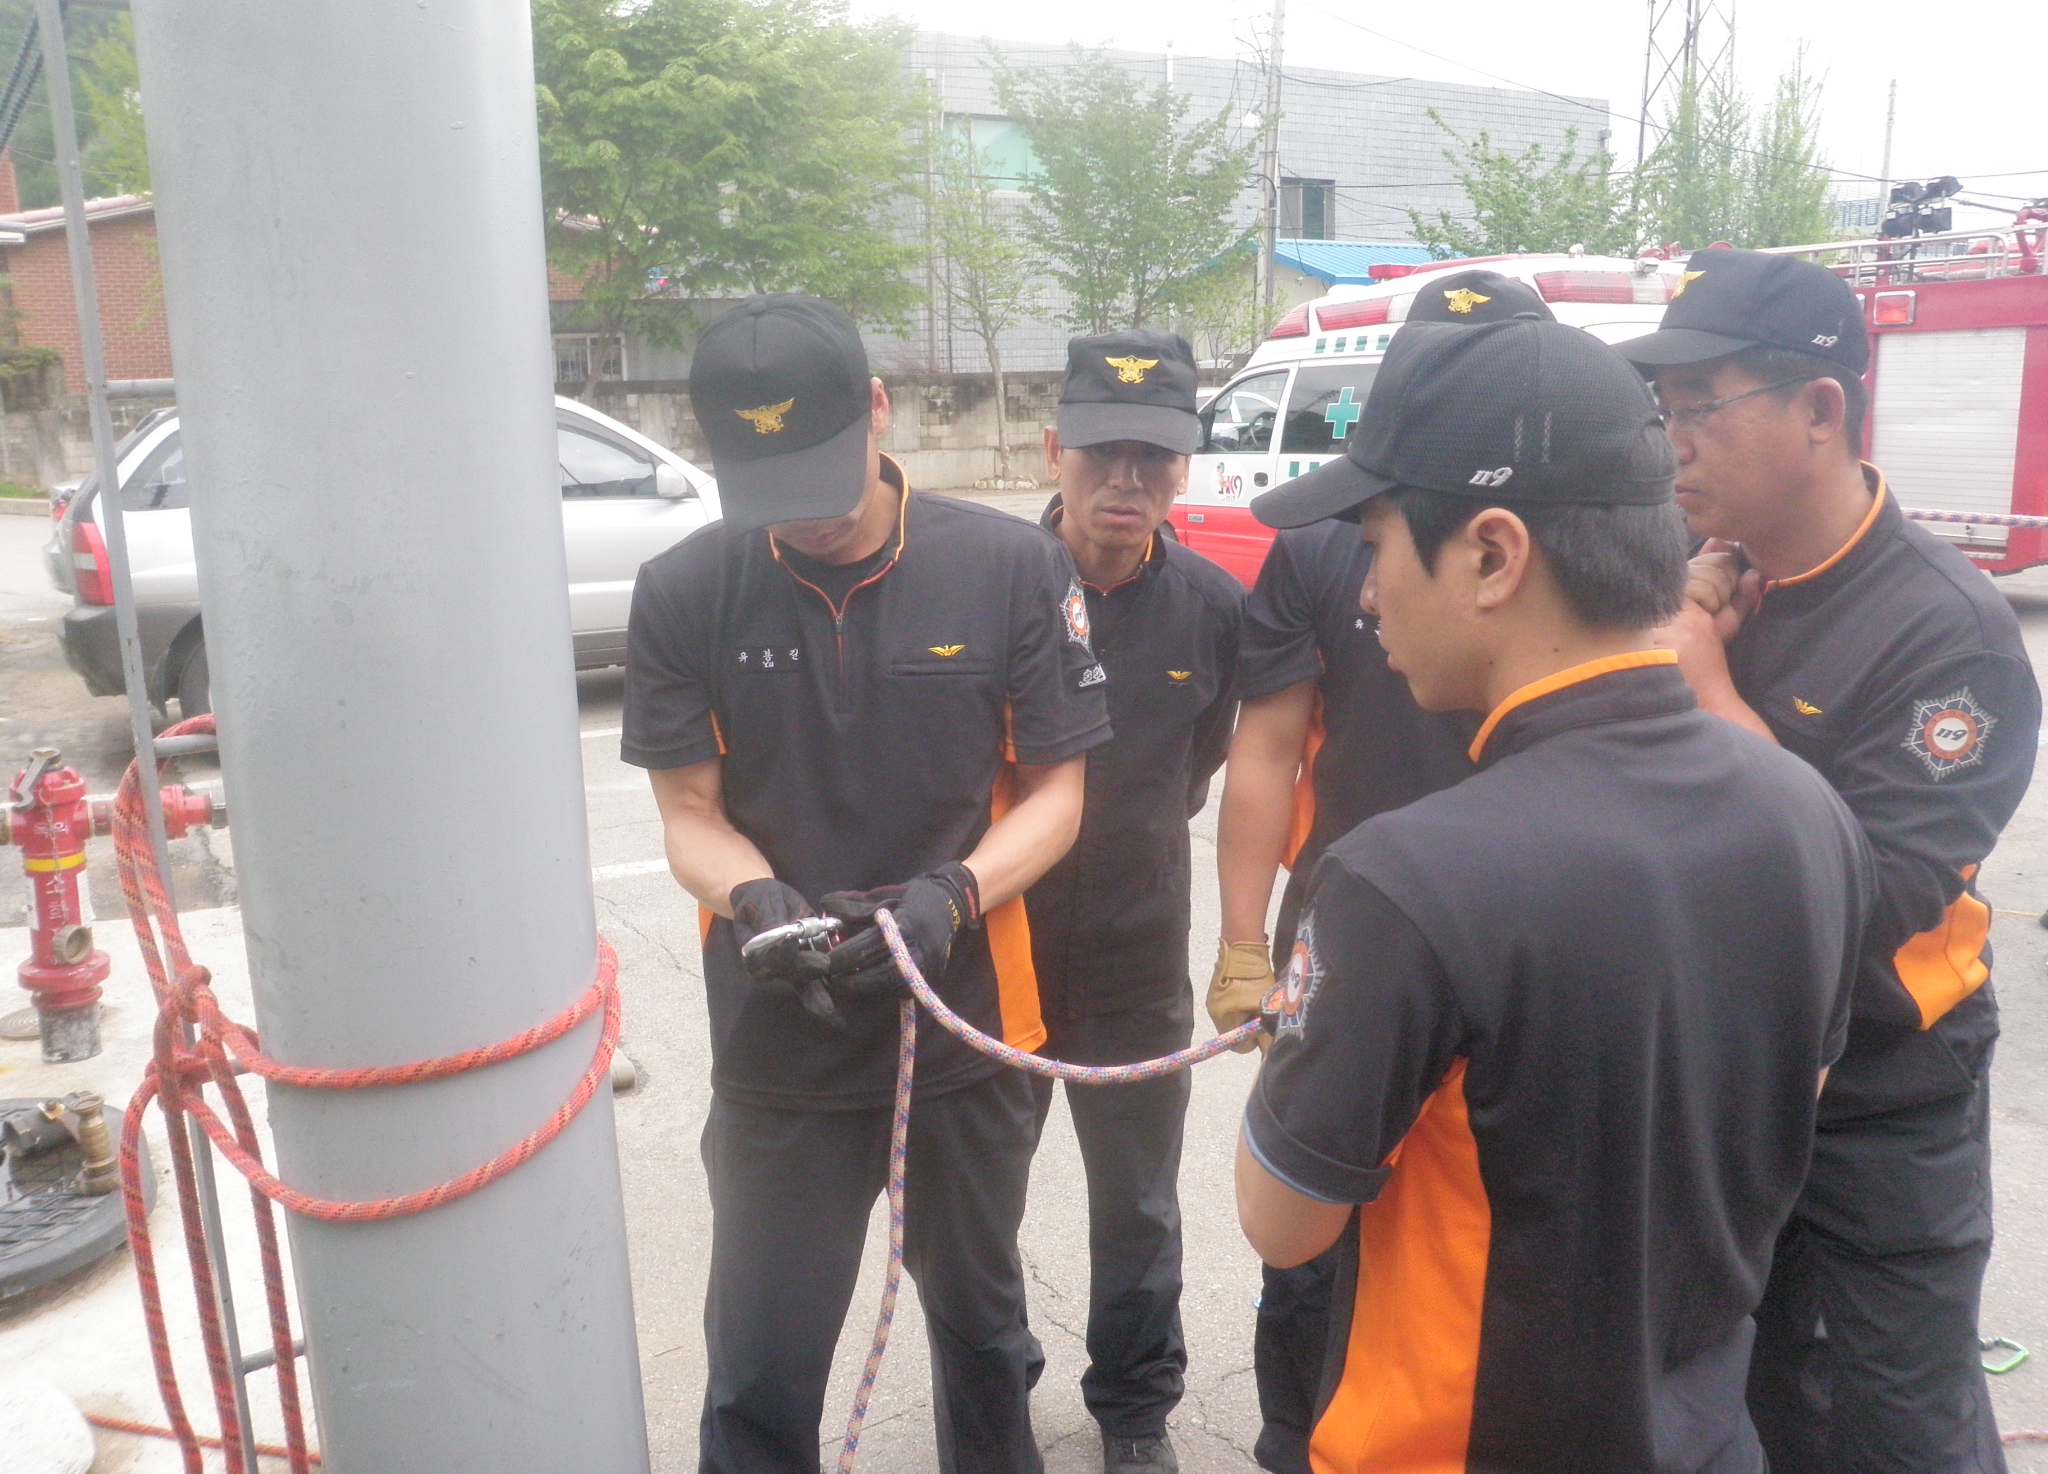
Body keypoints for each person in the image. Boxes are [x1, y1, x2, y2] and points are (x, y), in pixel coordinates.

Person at [1233, 316, 1874, 1473]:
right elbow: (1782, 1108)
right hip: (1701, 1436)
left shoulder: (1402, 880)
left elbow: (1283, 1222)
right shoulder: (1805, 812)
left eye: (1376, 546)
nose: (1365, 596)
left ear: (1491, 554)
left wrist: (1300, 1024)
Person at [621, 294, 1112, 1474]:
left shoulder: (1009, 567)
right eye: (771, 488)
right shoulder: (686, 588)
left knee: (984, 1343)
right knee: (757, 1370)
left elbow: (1058, 795)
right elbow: (688, 814)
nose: (807, 514)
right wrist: (757, 902)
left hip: (961, 1032)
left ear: (878, 409)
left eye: (821, 473)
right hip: (778, 1046)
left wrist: (952, 895)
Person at [1616, 248, 2042, 1473]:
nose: (1672, 443)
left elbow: (1870, 894)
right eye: (1663, 412)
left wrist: (1703, 687)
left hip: (1879, 1093)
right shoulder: (1707, 571)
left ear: (1817, 409)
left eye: (1700, 408)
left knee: (1892, 1422)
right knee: (1745, 1402)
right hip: (1727, 1068)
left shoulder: (1944, 633)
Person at [1207, 270, 1550, 1474]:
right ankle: (1290, 1440)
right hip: (1346, 936)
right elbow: (1262, 748)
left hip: (1525, 944)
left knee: (1491, 1232)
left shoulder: (1581, 557)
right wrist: (1241, 941)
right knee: (1310, 1229)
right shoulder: (1325, 545)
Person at [1024, 331, 1244, 1474]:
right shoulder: (990, 588)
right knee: (973, 1205)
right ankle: (986, 1388)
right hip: (995, 953)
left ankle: (1134, 1412)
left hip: (1136, 951)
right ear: (1050, 448)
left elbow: (1201, 763)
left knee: (1139, 1204)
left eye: (1151, 456)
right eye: (1099, 451)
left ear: (1184, 464)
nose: (1125, 479)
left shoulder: (1212, 609)